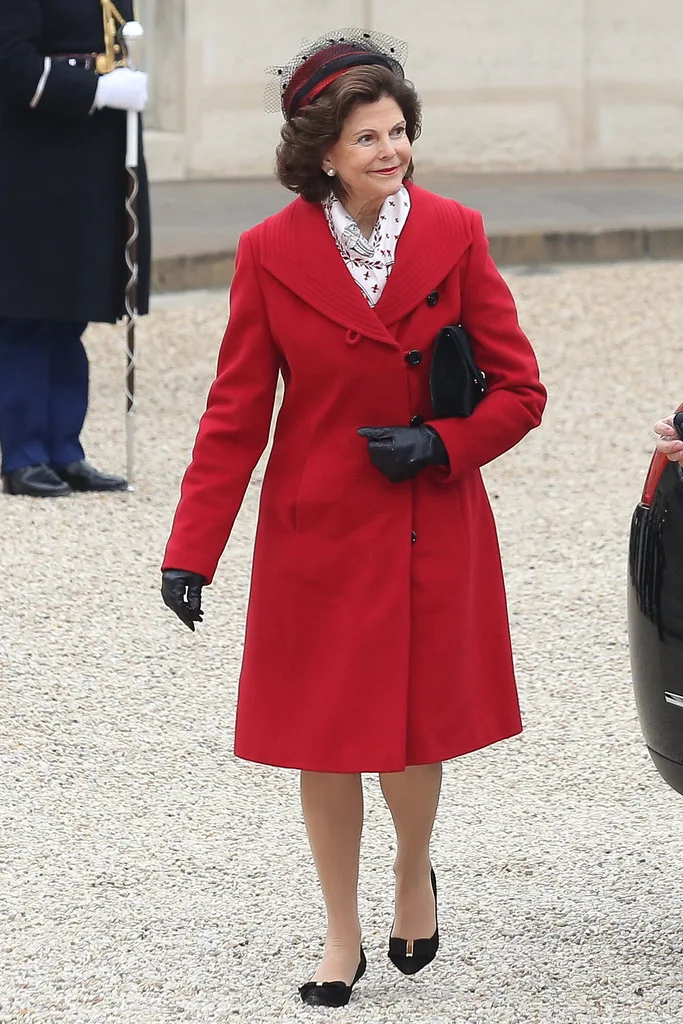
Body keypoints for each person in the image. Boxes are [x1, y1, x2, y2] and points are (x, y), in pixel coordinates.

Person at [161, 30, 547, 1008]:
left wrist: (441, 446)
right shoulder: (266, 253)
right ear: (322, 152)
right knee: (323, 744)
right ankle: (341, 931)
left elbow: (520, 391)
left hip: (427, 525)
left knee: (412, 743)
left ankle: (411, 871)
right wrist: (190, 552)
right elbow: (235, 416)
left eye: (398, 130)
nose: (390, 149)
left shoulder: (456, 233)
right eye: (367, 136)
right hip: (316, 540)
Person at [0, 0, 151, 497]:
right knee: (26, 314)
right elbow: (12, 64)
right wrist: (98, 88)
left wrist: (118, 84)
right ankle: (23, 453)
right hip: (32, 160)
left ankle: (65, 449)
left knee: (69, 312)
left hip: (87, 157)